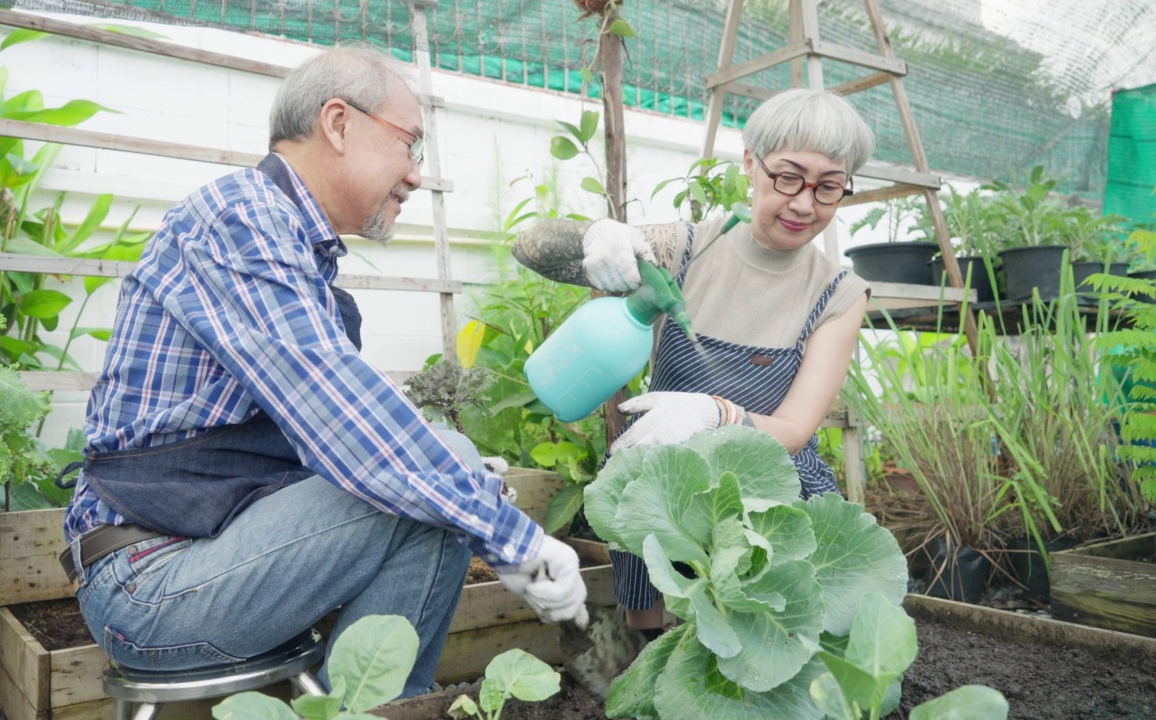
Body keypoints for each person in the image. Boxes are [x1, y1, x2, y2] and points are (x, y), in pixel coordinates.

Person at [59, 45, 586, 696]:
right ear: (338, 124)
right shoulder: (237, 220)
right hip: (151, 584)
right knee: (444, 474)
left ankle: (372, 708)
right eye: (410, 145)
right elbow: (346, 423)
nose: (417, 175)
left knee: (446, 484)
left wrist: (466, 488)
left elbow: (346, 443)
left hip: (209, 555)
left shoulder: (293, 253)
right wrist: (518, 541)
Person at [512, 87, 873, 634]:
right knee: (652, 620)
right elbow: (529, 245)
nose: (804, 203)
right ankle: (648, 646)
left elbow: (796, 428)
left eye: (828, 187)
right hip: (665, 474)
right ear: (751, 164)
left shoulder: (839, 292)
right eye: (788, 177)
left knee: (782, 626)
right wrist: (597, 236)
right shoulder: (685, 249)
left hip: (771, 482)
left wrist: (716, 414)